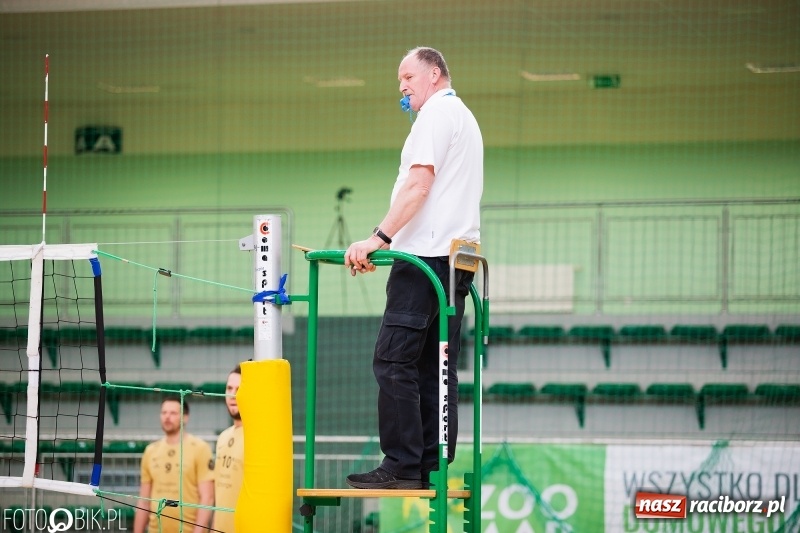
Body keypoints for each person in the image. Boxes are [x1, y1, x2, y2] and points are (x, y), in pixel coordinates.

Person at [344, 46, 483, 489]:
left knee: (392, 361)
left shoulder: (435, 117)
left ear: (435, 73)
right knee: (434, 369)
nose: (401, 86)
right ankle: (429, 466)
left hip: (424, 262)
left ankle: (401, 465)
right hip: (455, 262)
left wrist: (377, 239)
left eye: (408, 76)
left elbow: (418, 186)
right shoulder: (464, 117)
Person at [134, 396, 214, 533]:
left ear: (185, 417)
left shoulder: (200, 448)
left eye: (173, 413)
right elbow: (143, 501)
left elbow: (207, 498)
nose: (167, 417)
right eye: (164, 413)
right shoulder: (150, 451)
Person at [212, 364, 244, 532]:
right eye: (229, 388)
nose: (232, 394)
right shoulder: (223, 437)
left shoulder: (258, 437)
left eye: (238, 389)